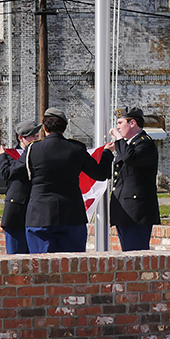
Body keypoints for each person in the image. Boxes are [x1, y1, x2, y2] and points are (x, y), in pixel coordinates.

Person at [15, 107, 113, 253]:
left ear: (44, 127)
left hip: (40, 215)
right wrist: (107, 154)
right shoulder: (77, 148)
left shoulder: (32, 149)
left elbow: (14, 173)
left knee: (42, 267)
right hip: (72, 214)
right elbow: (100, 174)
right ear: (65, 127)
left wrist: (3, 157)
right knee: (72, 267)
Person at [108, 107, 160, 251]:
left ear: (132, 123)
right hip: (125, 210)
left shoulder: (145, 143)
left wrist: (119, 139)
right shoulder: (128, 145)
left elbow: (131, 158)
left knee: (136, 254)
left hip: (136, 211)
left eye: (120, 122)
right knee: (128, 254)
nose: (117, 127)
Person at [0, 120, 41, 254]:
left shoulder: (39, 152)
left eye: (37, 136)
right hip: (17, 209)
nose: (36, 139)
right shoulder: (11, 155)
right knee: (16, 254)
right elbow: (9, 173)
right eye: (32, 136)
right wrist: (2, 157)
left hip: (36, 209)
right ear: (21, 138)